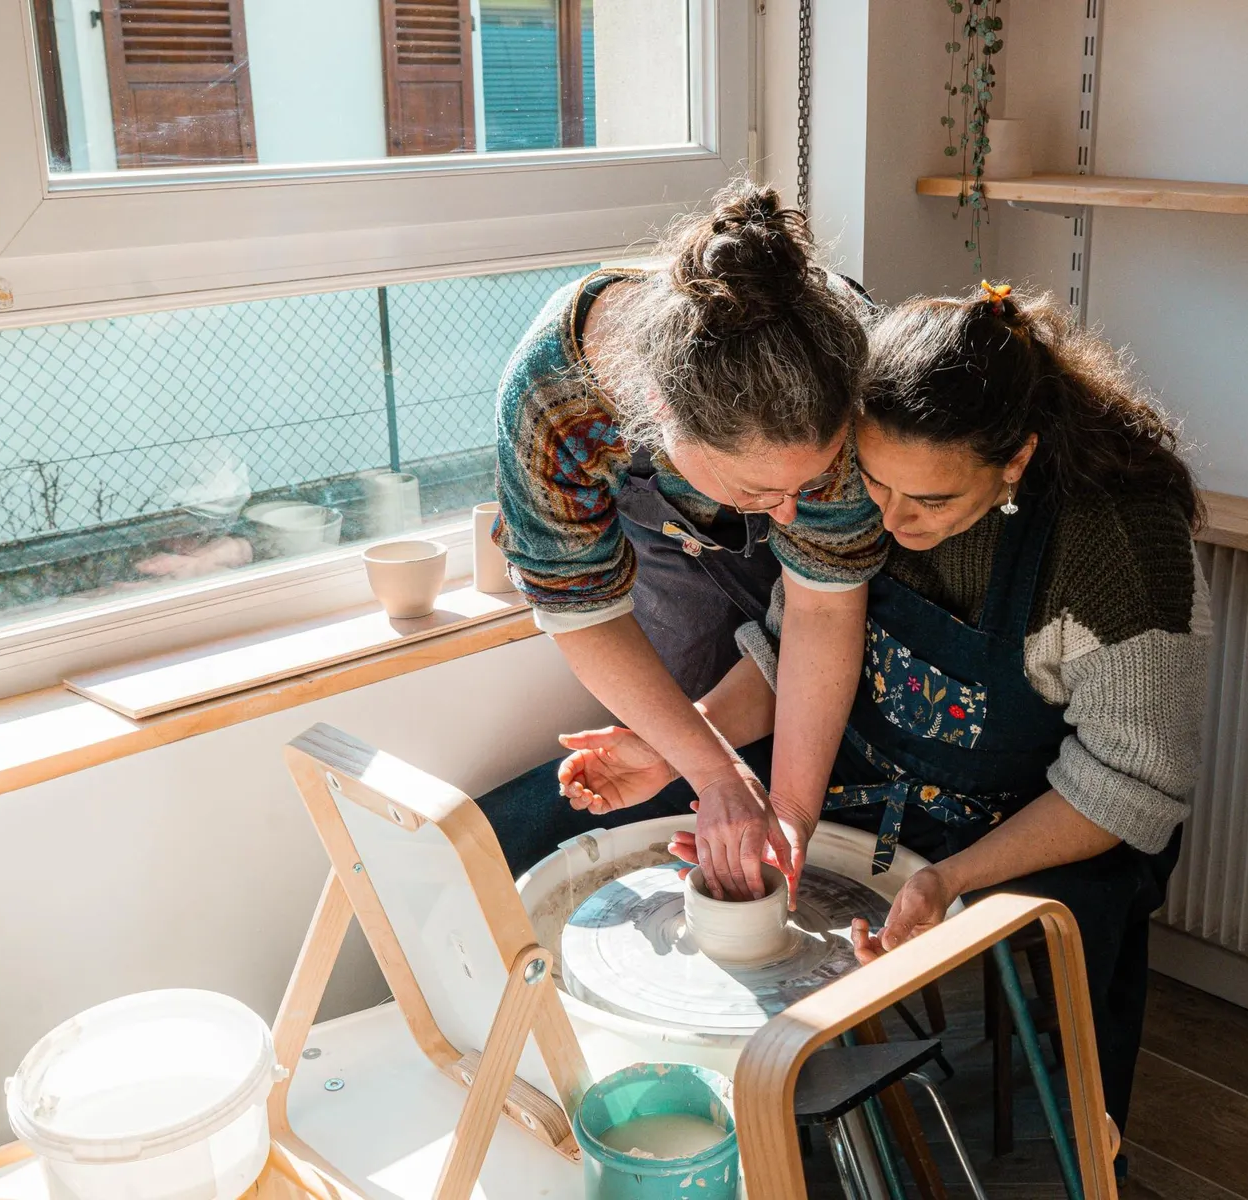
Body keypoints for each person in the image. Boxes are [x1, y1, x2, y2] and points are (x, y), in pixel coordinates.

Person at [557, 283, 1211, 1141]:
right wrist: (679, 743)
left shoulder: (1117, 548)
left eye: (931, 502)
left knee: (1028, 1092)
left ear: (1014, 460)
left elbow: (1129, 787)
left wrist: (949, 879)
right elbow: (793, 655)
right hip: (878, 798)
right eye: (874, 483)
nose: (892, 521)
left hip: (1039, 830)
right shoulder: (854, 489)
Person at [484, 180, 885, 901]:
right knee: (675, 745)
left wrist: (791, 816)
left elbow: (823, 612)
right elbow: (582, 612)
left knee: (824, 758)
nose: (787, 515)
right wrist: (712, 770)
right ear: (658, 413)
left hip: (839, 599)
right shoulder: (551, 400)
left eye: (807, 483)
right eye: (761, 494)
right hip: (664, 558)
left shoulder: (841, 376)